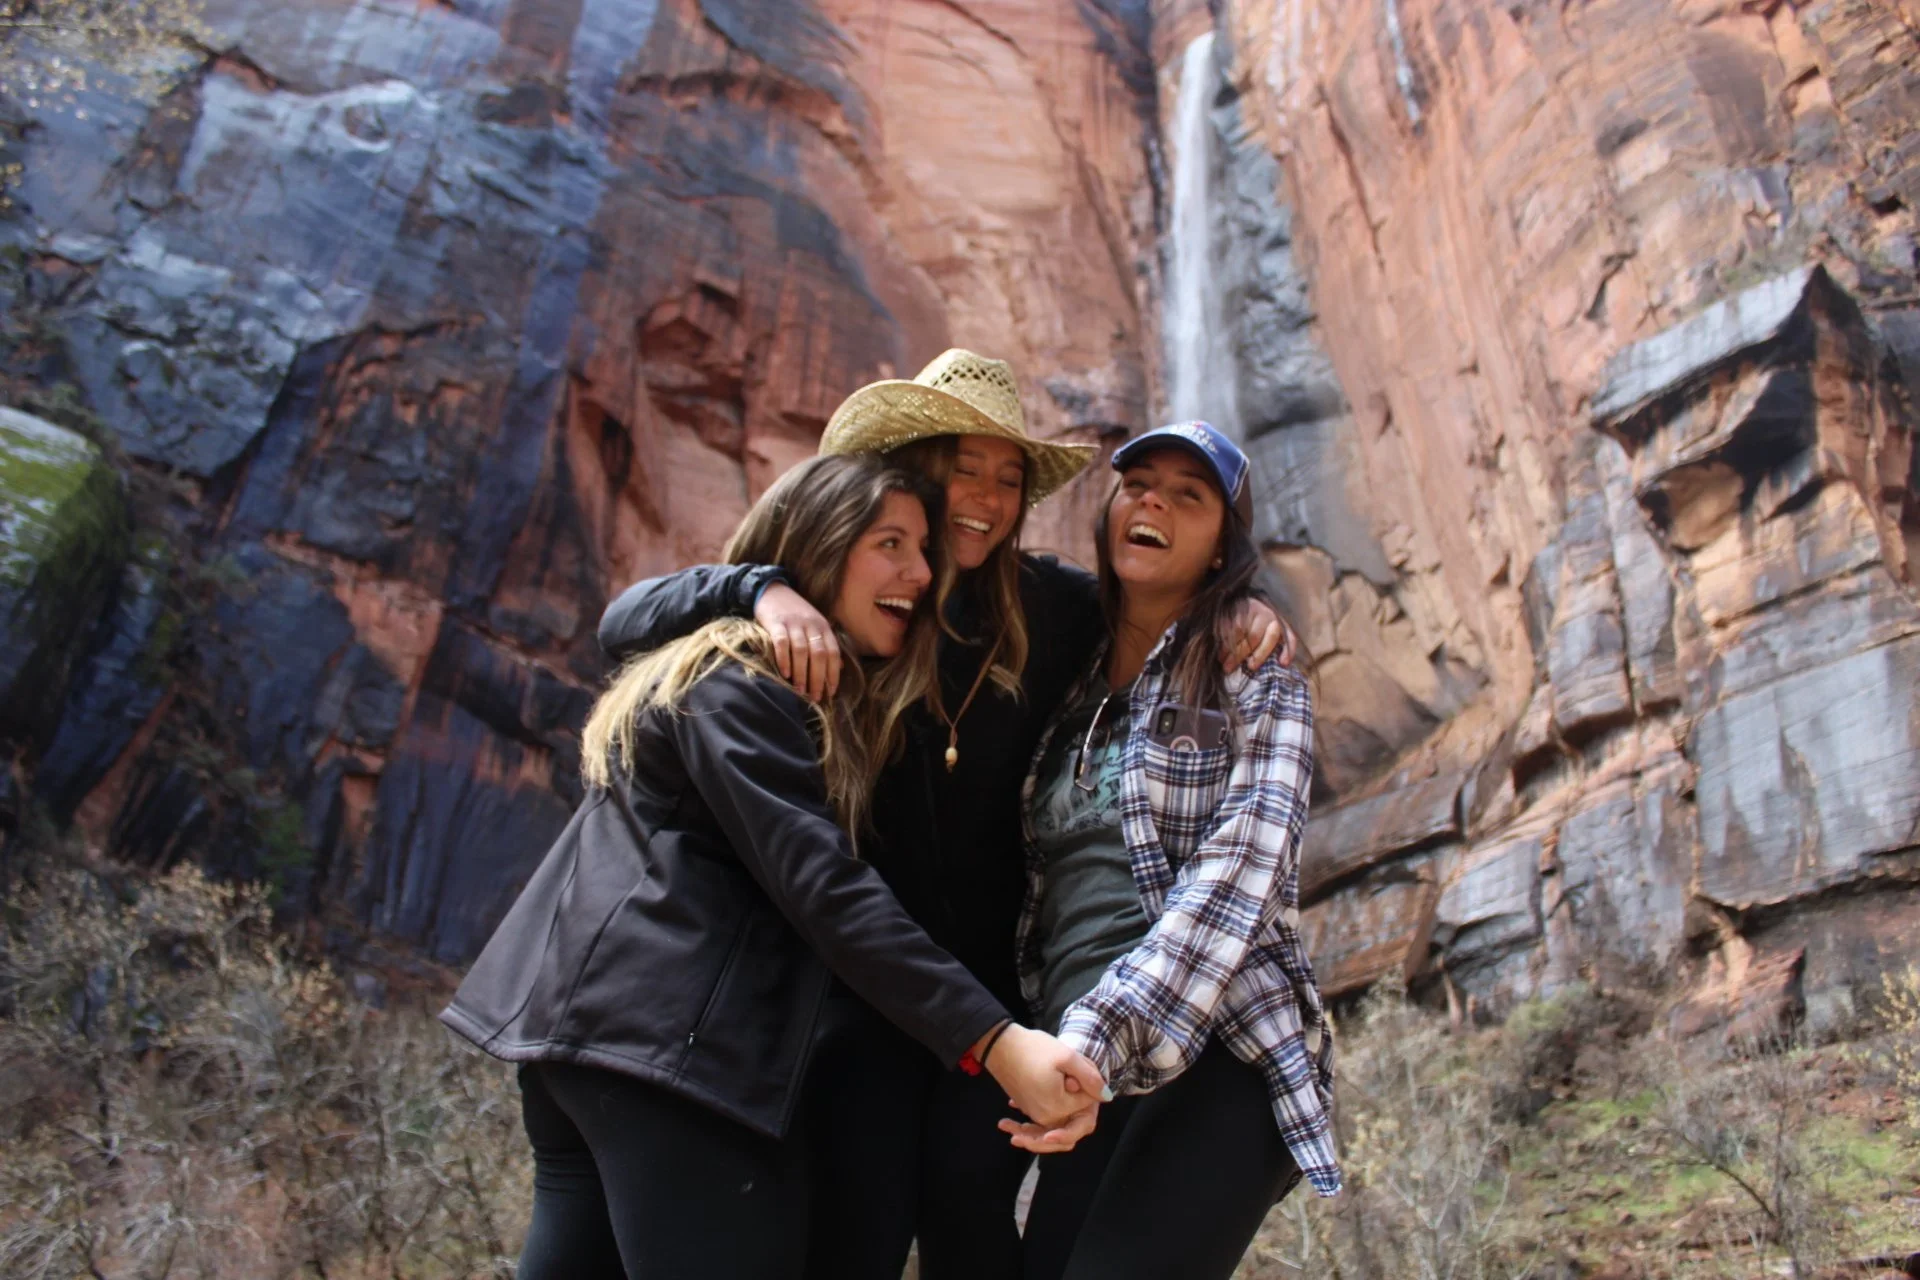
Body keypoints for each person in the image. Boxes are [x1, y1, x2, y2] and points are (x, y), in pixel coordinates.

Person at [598, 350, 1291, 1280]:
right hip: (865, 1000)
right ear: (914, 467)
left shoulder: (1051, 608)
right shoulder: (851, 595)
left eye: (1009, 479)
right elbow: (624, 623)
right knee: (860, 1236)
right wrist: (753, 587)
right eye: (966, 468)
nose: (988, 500)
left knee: (972, 1225)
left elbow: (1159, 596)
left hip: (1001, 1005)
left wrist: (1242, 606)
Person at [440, 452, 1104, 1280]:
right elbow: (823, 889)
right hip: (671, 1058)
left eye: (923, 549)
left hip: (592, 1052)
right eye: (889, 544)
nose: (920, 572)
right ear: (820, 547)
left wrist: (1227, 602)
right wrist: (997, 1042)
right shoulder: (743, 682)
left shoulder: (746, 673)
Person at [1004, 421, 1341, 1280]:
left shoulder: (1255, 669)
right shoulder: (1067, 675)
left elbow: (1244, 870)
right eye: (1138, 484)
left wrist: (1095, 1038)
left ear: (1223, 545)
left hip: (1218, 1046)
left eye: (1188, 496)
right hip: (1079, 1064)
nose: (1152, 502)